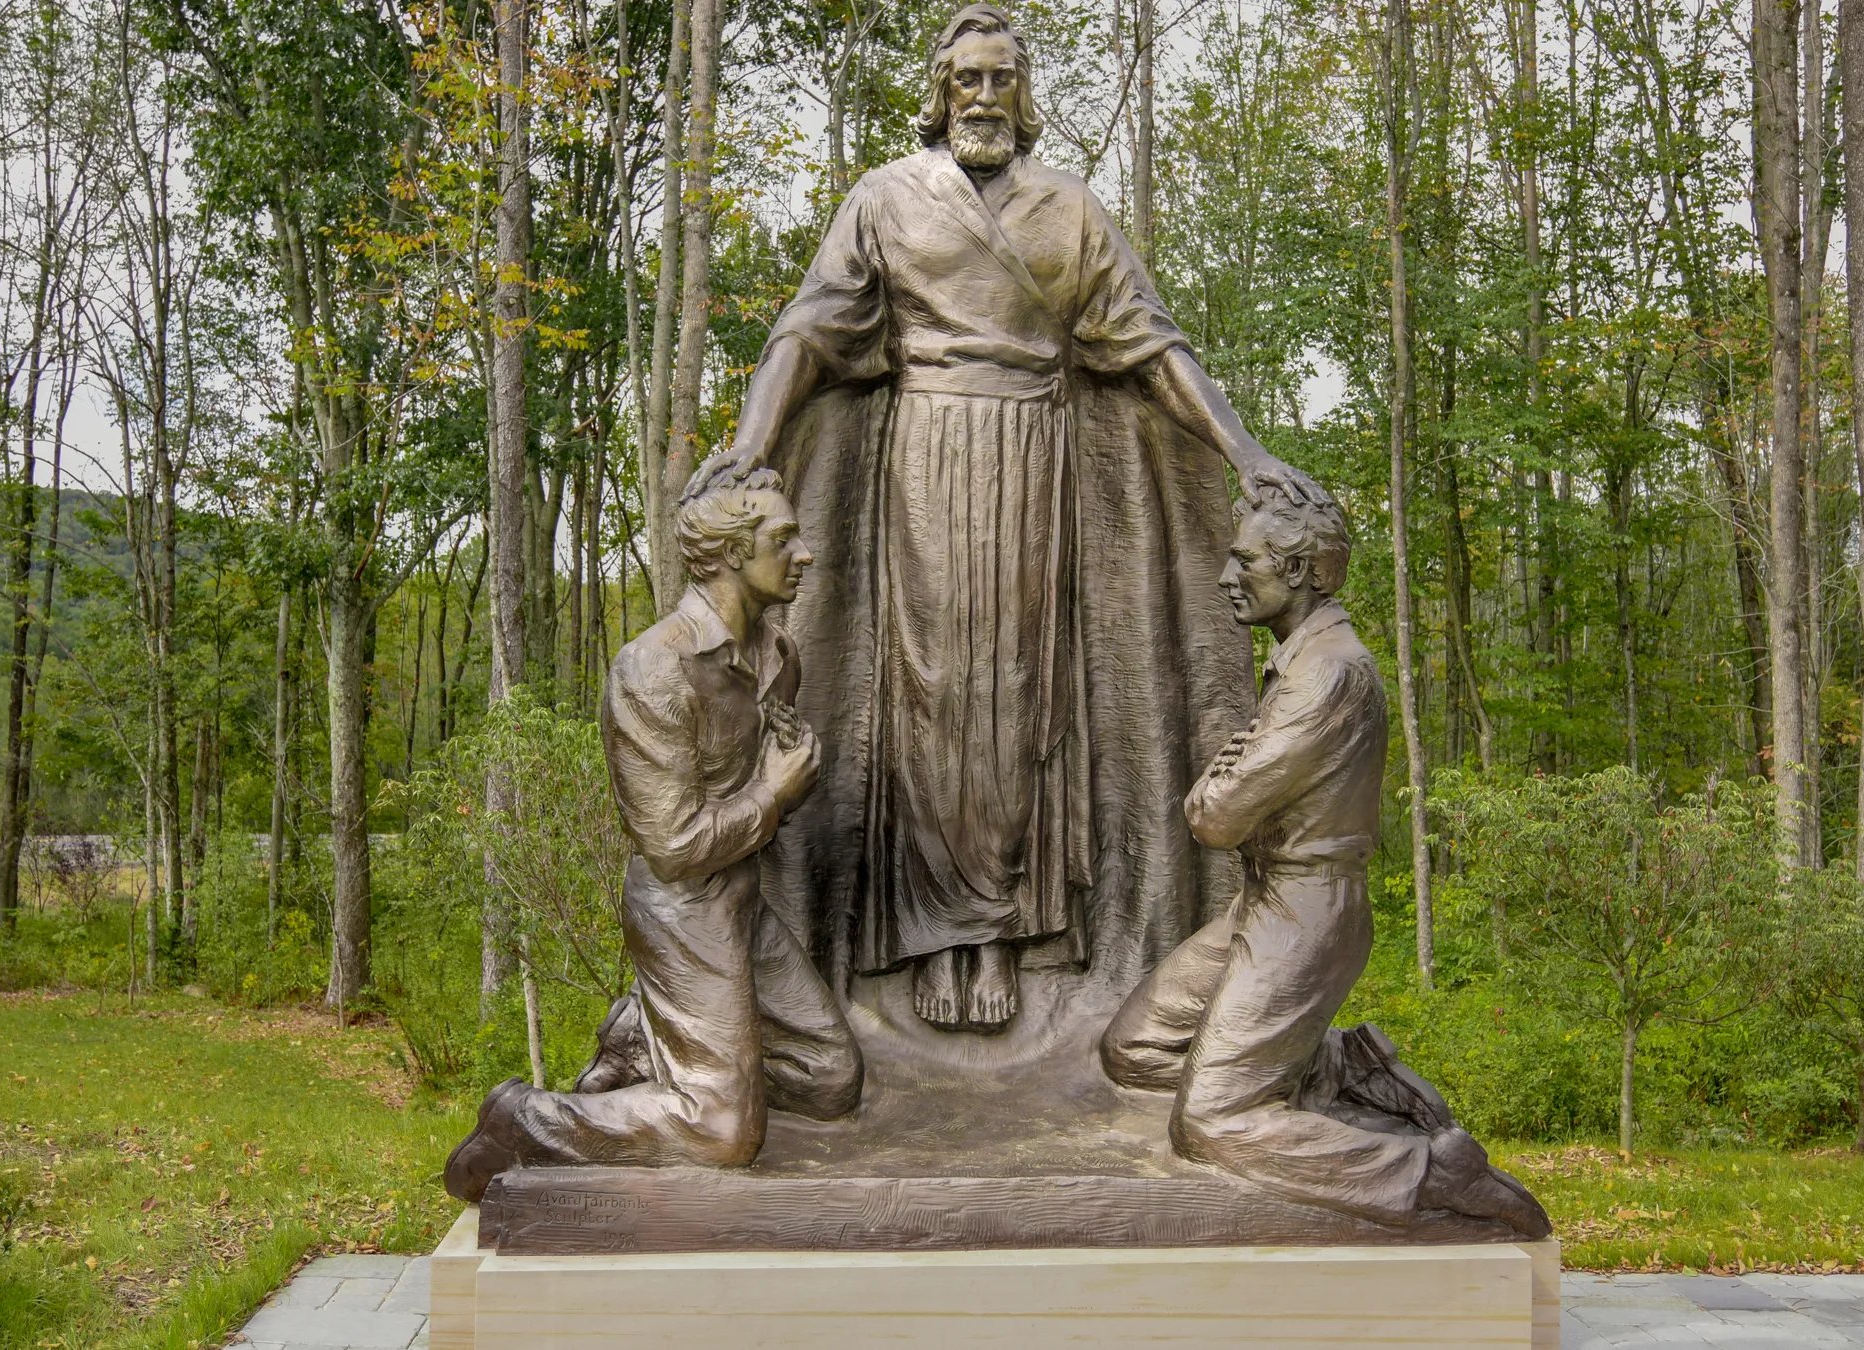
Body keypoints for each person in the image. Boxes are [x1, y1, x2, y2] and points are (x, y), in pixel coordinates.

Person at [693, 5, 1313, 1032]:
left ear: (1025, 97)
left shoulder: (1069, 210)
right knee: (931, 696)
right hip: (925, 462)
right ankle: (938, 936)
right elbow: (806, 334)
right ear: (941, 93)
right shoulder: (884, 199)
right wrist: (752, 445)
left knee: (1024, 698)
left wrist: (1246, 455)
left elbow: (1153, 346)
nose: (983, 97)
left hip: (1038, 464)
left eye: (1000, 79)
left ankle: (1015, 939)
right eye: (967, 79)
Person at [1097, 481, 1548, 1237]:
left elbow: (1217, 818)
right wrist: (1231, 775)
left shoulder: (1328, 675)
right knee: (1136, 1047)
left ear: (1302, 571)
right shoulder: (1298, 662)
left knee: (1208, 1122)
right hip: (1264, 900)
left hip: (1308, 914)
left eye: (1246, 562)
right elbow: (1235, 804)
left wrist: (1220, 778)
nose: (1225, 577)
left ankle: (1432, 1172)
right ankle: (1342, 1066)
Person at [443, 466, 862, 1203]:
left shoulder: (777, 655)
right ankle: (524, 1119)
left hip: (740, 897)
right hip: (679, 908)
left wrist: (791, 769)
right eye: (782, 538)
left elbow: (759, 791)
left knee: (827, 1077)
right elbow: (671, 847)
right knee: (724, 1134)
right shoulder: (654, 667)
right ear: (731, 553)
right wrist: (775, 790)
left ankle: (640, 1035)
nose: (803, 554)